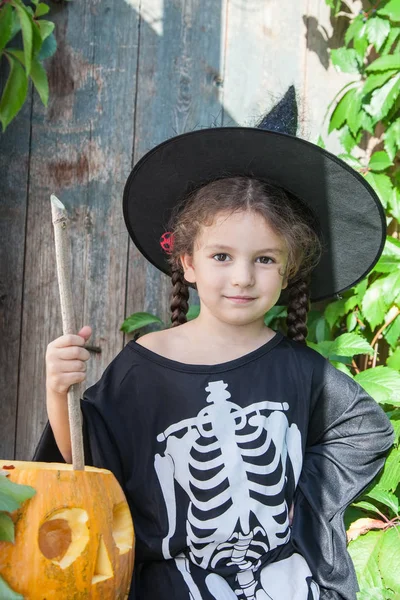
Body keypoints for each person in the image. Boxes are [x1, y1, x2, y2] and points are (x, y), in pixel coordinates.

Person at [36, 117, 394, 600]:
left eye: (265, 259)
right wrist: (58, 391)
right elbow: (89, 460)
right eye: (221, 256)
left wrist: (309, 499)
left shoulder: (300, 369)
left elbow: (367, 430)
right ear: (187, 262)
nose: (243, 278)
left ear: (288, 270)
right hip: (174, 586)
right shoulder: (144, 366)